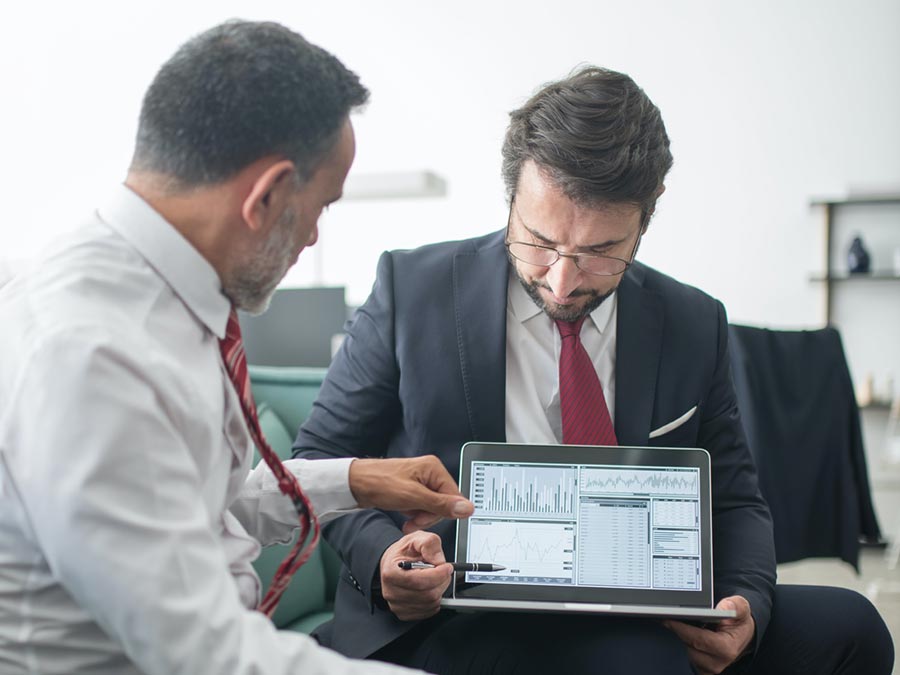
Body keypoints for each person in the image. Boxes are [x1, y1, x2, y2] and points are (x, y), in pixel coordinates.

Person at [294, 66, 895, 674]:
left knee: (853, 628)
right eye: (539, 241)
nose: (561, 280)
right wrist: (383, 558)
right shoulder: (412, 290)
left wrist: (747, 605)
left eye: (600, 253)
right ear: (512, 198)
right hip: (456, 611)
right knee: (639, 661)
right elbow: (319, 455)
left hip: (639, 602)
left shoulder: (692, 321)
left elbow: (735, 499)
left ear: (647, 215)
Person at [0, 20, 474, 675]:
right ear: (269, 194)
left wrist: (356, 480)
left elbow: (188, 509)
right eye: (321, 206)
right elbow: (203, 651)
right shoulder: (92, 353)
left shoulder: (155, 293)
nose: (311, 237)